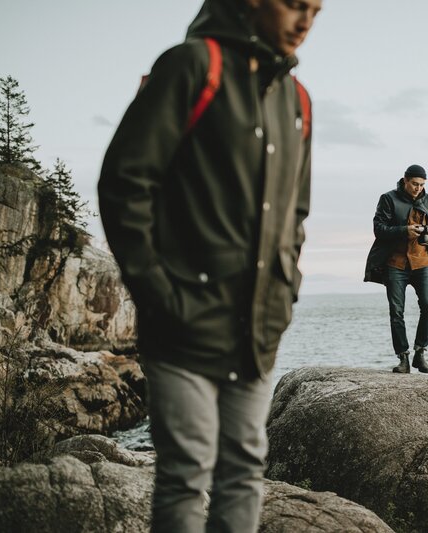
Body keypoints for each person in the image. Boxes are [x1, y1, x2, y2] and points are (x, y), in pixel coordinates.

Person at [98, 0, 321, 531]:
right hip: (182, 319)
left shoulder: (298, 100)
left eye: (316, 9)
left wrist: (286, 290)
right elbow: (124, 184)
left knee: (244, 471)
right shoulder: (192, 66)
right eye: (295, 4)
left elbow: (297, 212)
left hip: (257, 326)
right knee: (186, 474)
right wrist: (158, 293)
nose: (306, 20)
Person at [364, 164, 428, 374]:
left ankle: (420, 353)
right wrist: (405, 230)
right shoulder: (388, 198)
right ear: (405, 180)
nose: (418, 188)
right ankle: (403, 358)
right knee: (396, 312)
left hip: (424, 261)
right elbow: (379, 229)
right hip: (395, 263)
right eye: (415, 184)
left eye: (422, 185)